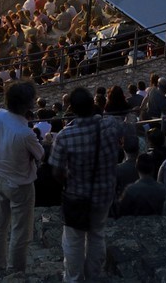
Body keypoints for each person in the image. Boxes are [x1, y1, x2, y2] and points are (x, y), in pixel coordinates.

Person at [51, 86, 127, 283]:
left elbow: (56, 171)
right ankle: (93, 275)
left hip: (76, 195)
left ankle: (74, 278)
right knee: (97, 234)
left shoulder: (64, 136)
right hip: (104, 193)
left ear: (73, 109)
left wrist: (68, 180)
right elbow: (129, 132)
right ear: (93, 104)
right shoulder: (110, 124)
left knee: (74, 240)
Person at [0, 81, 45, 274]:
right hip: (20, 184)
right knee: (21, 229)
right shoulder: (25, 133)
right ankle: (15, 270)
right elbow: (40, 154)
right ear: (26, 105)